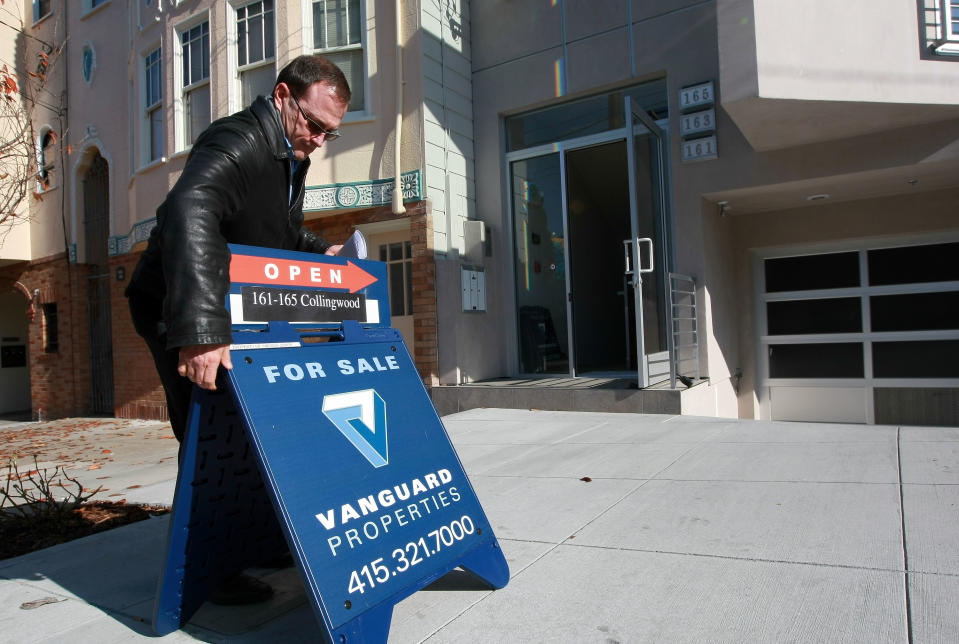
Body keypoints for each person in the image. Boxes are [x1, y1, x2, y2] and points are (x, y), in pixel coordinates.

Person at [125, 55, 350, 605]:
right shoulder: (239, 139)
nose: (319, 140)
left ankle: (250, 537)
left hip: (223, 307)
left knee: (254, 426)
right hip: (176, 305)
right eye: (314, 125)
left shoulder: (288, 156)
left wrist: (327, 253)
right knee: (210, 433)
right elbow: (189, 207)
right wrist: (200, 329)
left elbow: (281, 233)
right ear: (281, 97)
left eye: (330, 133)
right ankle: (210, 570)